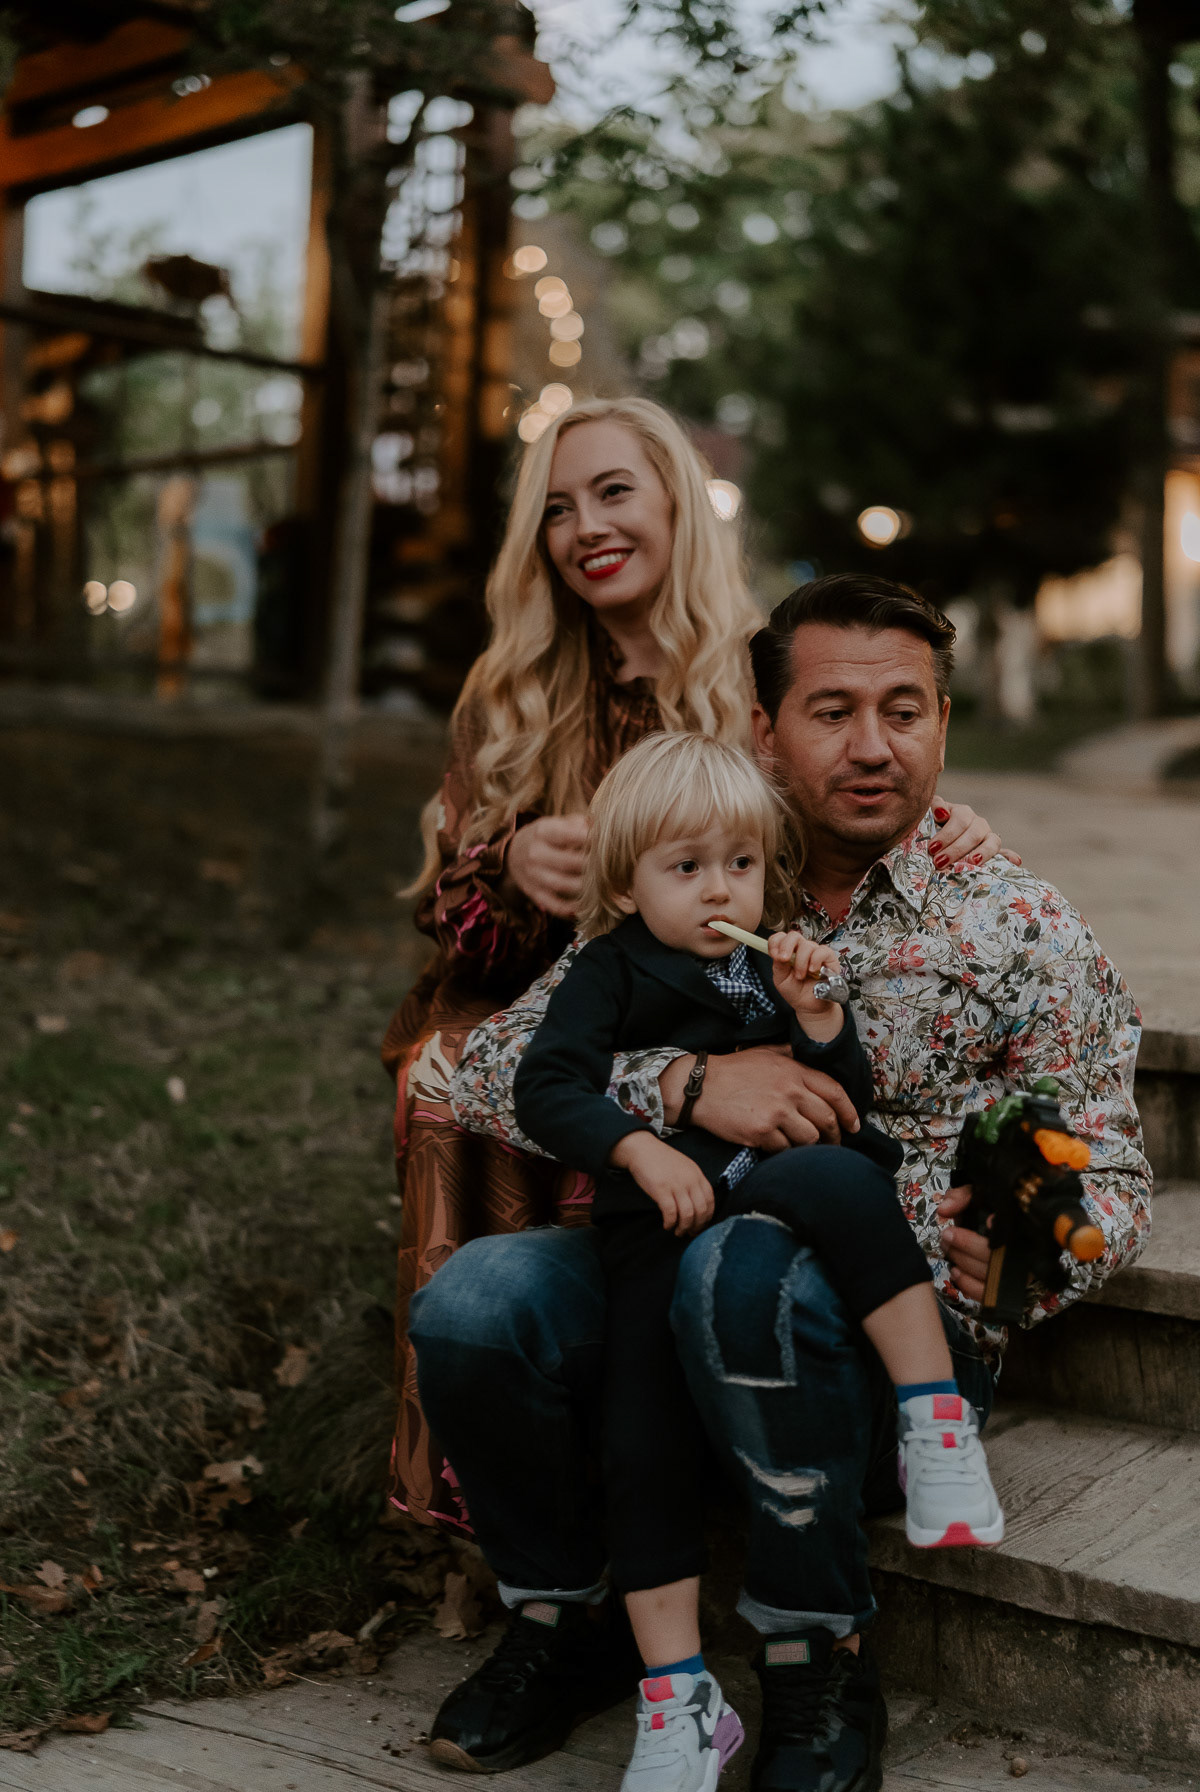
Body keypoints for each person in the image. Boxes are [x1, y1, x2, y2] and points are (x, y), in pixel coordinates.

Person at [410, 574, 1151, 1792]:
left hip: (877, 1334)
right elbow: (491, 1069)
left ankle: (822, 1656)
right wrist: (686, 1086)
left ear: (942, 724)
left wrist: (1039, 1253)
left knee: (745, 1272)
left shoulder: (1016, 922)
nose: (872, 747)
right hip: (661, 1273)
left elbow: (1109, 1160)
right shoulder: (699, 869)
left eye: (903, 711)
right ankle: (568, 1620)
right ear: (765, 729)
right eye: (832, 711)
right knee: (480, 1305)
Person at [382, 398, 1000, 1538]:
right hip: (548, 1000)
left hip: (721, 1000)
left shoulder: (756, 672)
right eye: (557, 509)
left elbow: (852, 814)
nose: (586, 526)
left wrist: (942, 828)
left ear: (677, 500)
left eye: (614, 491)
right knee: (448, 1076)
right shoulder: (513, 688)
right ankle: (486, 1484)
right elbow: (447, 917)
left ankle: (708, 1447)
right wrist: (505, 865)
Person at [513, 731, 1002, 1792]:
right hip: (659, 1227)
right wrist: (636, 1146)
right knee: (639, 1449)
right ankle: (677, 1698)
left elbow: (843, 1098)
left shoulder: (772, 959)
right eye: (685, 867)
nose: (717, 889)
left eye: (738, 863)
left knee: (845, 1174)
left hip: (775, 1192)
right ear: (626, 882)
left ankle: (935, 1420)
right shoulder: (607, 968)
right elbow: (544, 1086)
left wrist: (820, 1017)